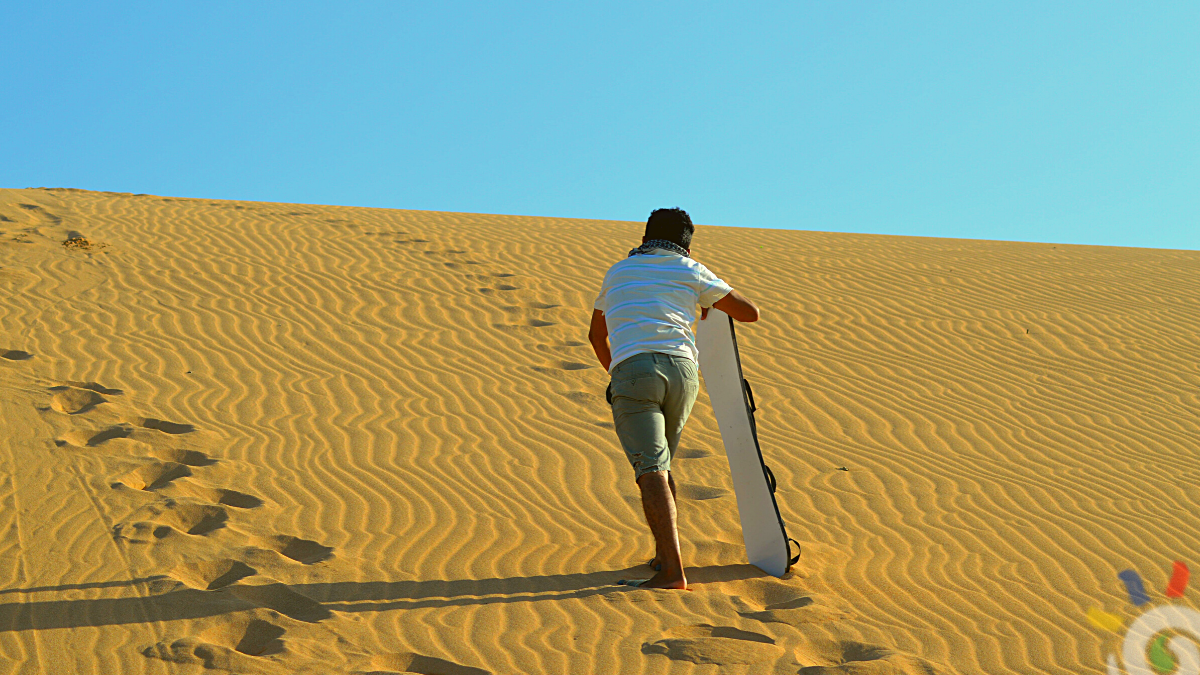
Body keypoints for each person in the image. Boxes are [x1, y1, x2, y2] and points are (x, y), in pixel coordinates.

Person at [588, 207, 760, 589]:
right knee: (662, 466)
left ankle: (672, 573)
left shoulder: (618, 271)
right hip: (684, 374)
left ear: (645, 239)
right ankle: (664, 557)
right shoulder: (692, 270)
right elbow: (750, 313)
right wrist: (709, 299)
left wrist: (618, 374)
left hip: (634, 371)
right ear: (687, 246)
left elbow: (596, 336)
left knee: (650, 469)